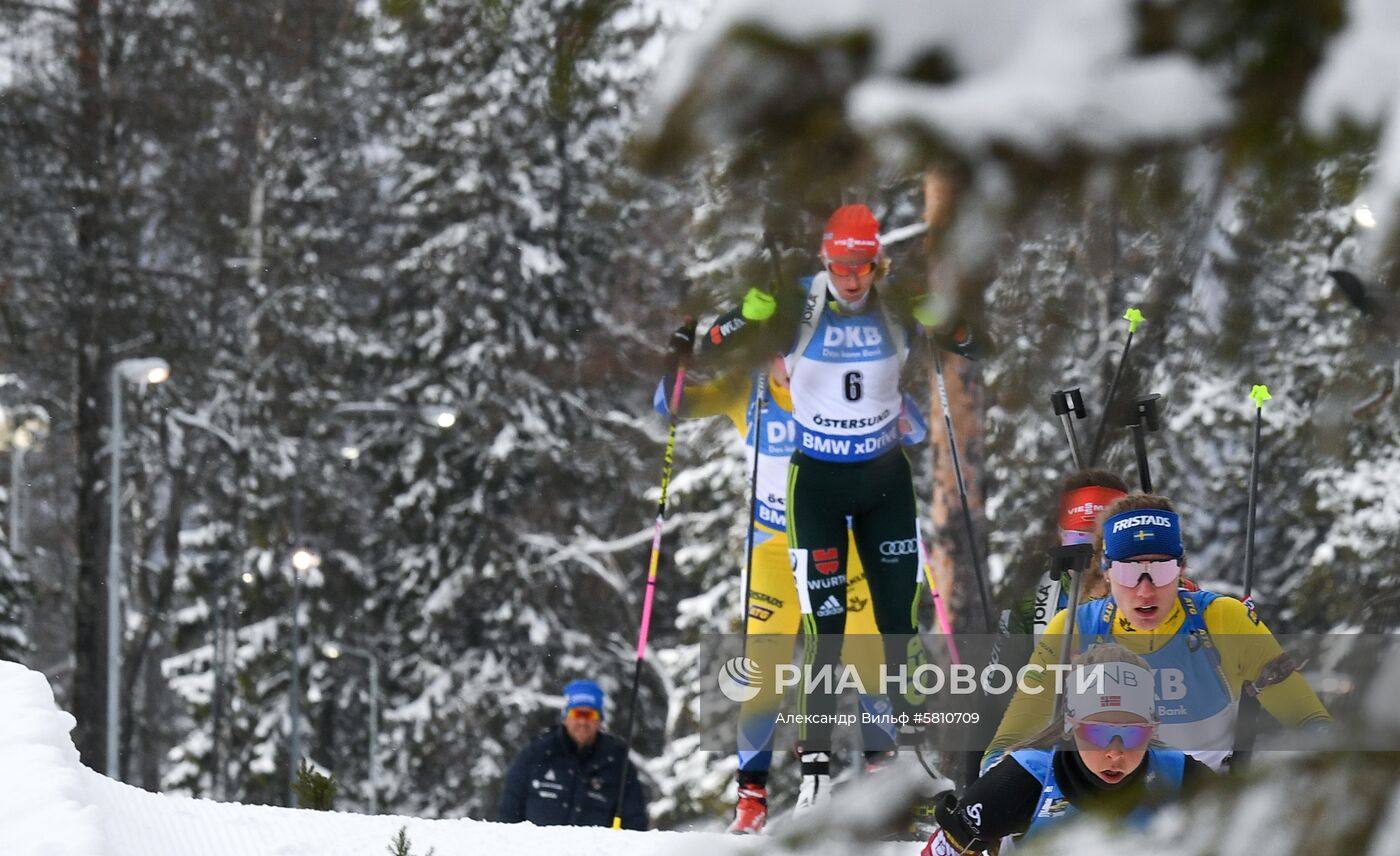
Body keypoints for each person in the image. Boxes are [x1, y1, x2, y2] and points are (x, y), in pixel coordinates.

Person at [700, 204, 979, 812]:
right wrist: (739, 318)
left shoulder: (897, 304)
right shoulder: (799, 303)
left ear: (876, 262)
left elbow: (975, 345)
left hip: (883, 481)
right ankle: (814, 777)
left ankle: (910, 760)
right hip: (818, 484)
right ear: (825, 261)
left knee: (897, 624)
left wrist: (949, 321)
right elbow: (710, 345)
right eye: (839, 266)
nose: (850, 278)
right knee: (823, 635)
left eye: (861, 266)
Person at [654, 358, 930, 832]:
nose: (786, 362)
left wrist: (893, 398)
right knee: (762, 666)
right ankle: (751, 799)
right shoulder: (747, 389)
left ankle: (885, 781)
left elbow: (917, 430)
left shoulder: (841, 387)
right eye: (778, 350)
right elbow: (671, 403)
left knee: (869, 659)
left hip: (842, 542)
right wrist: (677, 357)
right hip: (775, 546)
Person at [982, 494, 1331, 771]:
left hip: (1202, 808)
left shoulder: (1223, 620)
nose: (1145, 591)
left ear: (1181, 568)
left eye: (1161, 570)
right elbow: (1008, 743)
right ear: (1106, 571)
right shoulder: (1074, 628)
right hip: (1104, 815)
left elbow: (1311, 722)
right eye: (1129, 573)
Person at [922, 644, 1212, 854]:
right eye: (1098, 732)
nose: (1115, 752)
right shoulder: (1022, 779)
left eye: (1134, 733)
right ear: (1071, 726)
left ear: (1153, 729)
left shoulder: (1180, 774)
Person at [498, 679, 648, 830]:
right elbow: (509, 811)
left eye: (590, 715)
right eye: (577, 713)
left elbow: (635, 823)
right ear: (565, 717)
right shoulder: (536, 753)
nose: (583, 721)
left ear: (599, 720)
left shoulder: (618, 763)